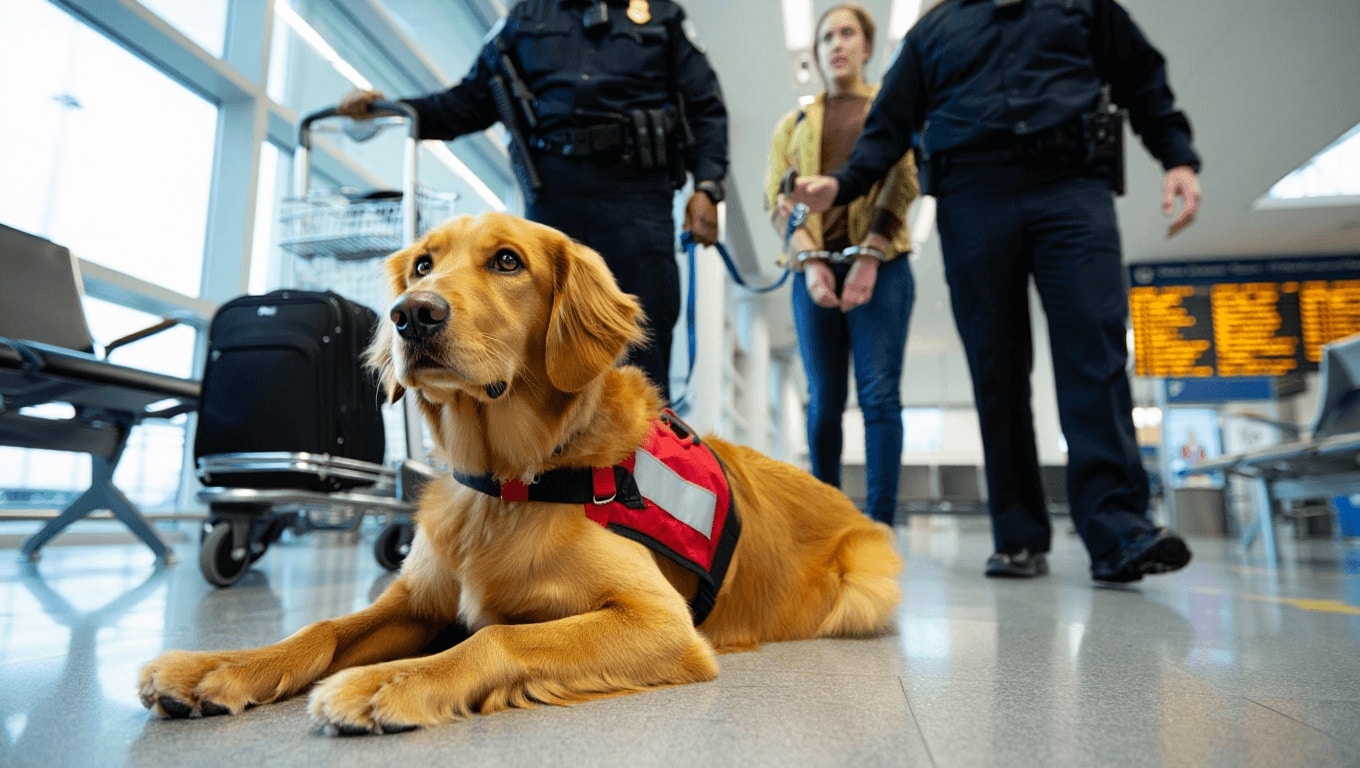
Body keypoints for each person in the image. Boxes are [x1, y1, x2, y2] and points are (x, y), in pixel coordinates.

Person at [792, 0, 1202, 583]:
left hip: (1072, 187)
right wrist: (844, 184)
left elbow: (1140, 75)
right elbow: (889, 125)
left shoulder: (1082, 7)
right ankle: (1017, 537)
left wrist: (1177, 157)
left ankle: (1117, 530)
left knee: (1095, 351)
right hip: (974, 200)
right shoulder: (933, 31)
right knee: (997, 366)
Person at [338, 0, 728, 404]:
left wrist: (709, 186)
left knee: (641, 341)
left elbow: (706, 108)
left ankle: (642, 458)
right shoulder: (526, 18)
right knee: (543, 348)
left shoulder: (663, 16)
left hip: (636, 199)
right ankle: (546, 463)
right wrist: (391, 111)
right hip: (554, 201)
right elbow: (466, 102)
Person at [763, 3, 918, 526]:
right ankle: (825, 523)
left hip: (884, 266)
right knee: (823, 401)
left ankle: (879, 524)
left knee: (879, 398)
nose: (837, 43)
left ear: (867, 48)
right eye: (827, 36)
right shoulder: (795, 123)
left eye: (848, 33)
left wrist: (871, 254)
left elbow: (904, 181)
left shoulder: (894, 111)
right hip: (815, 270)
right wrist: (809, 260)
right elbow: (777, 198)